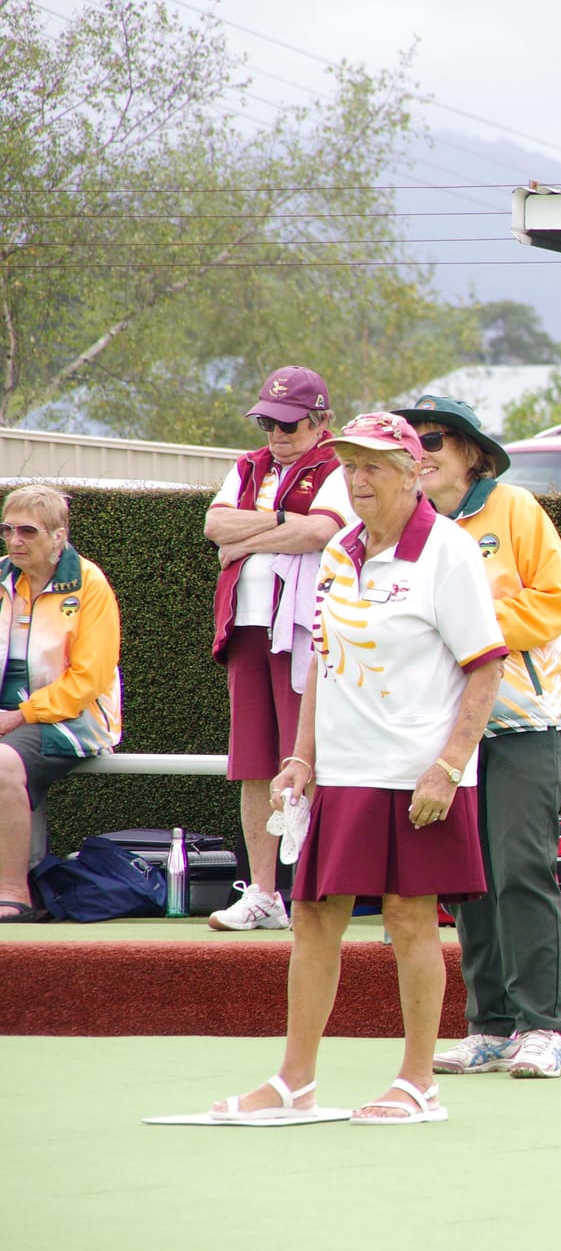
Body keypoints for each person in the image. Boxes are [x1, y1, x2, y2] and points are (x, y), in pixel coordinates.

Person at [211, 413, 505, 1125]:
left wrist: (449, 766)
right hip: (342, 771)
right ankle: (294, 1082)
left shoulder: (450, 552)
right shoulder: (339, 550)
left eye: (373, 464)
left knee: (410, 920)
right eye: (349, 463)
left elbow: (486, 666)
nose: (358, 477)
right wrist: (301, 756)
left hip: (417, 776)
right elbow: (323, 667)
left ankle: (418, 1084)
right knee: (312, 917)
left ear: (413, 473)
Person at [394, 396, 561, 1080]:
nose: (422, 450)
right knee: (467, 880)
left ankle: (543, 1028)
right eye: (411, 442)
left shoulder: (517, 509)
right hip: (443, 732)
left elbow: (557, 602)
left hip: (522, 723)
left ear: (472, 451)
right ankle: (491, 1025)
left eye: (435, 438)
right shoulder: (406, 527)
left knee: (522, 868)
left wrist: (471, 622)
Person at [203, 365, 351, 932]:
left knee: (303, 758)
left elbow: (320, 533)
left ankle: (312, 893)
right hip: (245, 627)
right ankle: (264, 893)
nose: (277, 435)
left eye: (289, 425)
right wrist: (281, 523)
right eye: (268, 422)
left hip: (304, 633)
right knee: (254, 764)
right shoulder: (246, 466)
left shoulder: (337, 468)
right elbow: (216, 527)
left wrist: (252, 536)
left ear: (321, 421)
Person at [0, 486, 122, 922]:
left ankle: (13, 895)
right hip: (8, 718)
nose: (15, 541)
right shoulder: (0, 579)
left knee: (2, 763)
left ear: (58, 536)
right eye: (7, 529)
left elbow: (89, 679)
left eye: (28, 531)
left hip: (77, 716)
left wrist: (19, 715)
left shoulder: (89, 584)